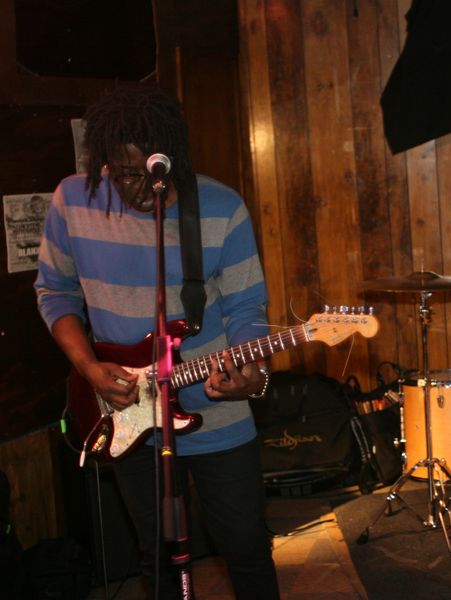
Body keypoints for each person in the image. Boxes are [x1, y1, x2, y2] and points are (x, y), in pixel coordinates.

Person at [34, 87, 279, 600]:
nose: (141, 189)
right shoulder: (72, 201)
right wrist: (88, 367)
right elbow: (55, 291)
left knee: (246, 546)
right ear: (102, 162)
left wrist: (252, 373)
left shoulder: (221, 208)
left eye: (153, 173)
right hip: (126, 412)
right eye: (124, 174)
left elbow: (246, 309)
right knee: (158, 556)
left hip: (217, 412)